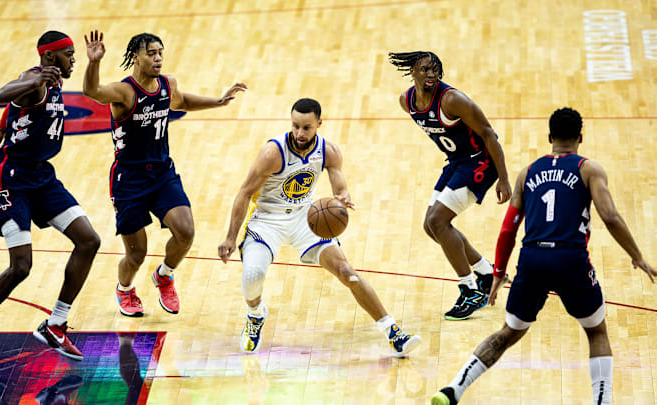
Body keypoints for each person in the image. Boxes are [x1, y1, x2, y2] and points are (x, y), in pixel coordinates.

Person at [430, 107, 657, 405]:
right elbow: (610, 216)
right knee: (596, 331)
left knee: (509, 332)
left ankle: (453, 388)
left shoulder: (528, 172)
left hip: (532, 259)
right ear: (581, 137)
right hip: (570, 258)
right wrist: (637, 255)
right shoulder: (589, 169)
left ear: (549, 137)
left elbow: (509, 228)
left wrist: (498, 272)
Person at [218, 98, 421, 356]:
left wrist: (343, 197)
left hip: (306, 217)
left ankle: (393, 332)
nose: (300, 133)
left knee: (347, 272)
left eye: (306, 128)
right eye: (295, 126)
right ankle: (255, 314)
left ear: (319, 124)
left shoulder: (329, 151)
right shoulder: (273, 153)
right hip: (268, 220)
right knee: (252, 277)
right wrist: (230, 238)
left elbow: (339, 186)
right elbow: (244, 193)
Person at [82, 30, 246, 317]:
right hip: (129, 181)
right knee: (136, 254)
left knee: (186, 231)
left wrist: (217, 101)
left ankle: (165, 275)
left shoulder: (166, 85)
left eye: (160, 53)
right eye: (151, 53)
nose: (158, 58)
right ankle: (124, 289)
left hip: (161, 174)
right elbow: (92, 91)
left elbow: (182, 102)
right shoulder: (125, 92)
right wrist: (94, 62)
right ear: (136, 56)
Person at [0, 31, 101, 362]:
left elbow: (18, 109)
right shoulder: (36, 79)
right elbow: (4, 93)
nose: (74, 59)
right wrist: (35, 81)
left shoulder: (52, 82)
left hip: (42, 177)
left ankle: (55, 325)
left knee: (89, 240)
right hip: (11, 179)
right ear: (49, 57)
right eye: (68, 54)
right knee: (22, 266)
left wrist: (4, 126)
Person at [388, 51, 512, 320]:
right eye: (424, 69)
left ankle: (470, 290)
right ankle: (486, 273)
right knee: (430, 226)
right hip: (456, 162)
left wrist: (503, 178)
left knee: (439, 220)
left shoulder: (452, 99)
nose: (431, 74)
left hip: (480, 163)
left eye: (435, 70)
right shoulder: (406, 101)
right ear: (413, 71)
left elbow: (489, 134)